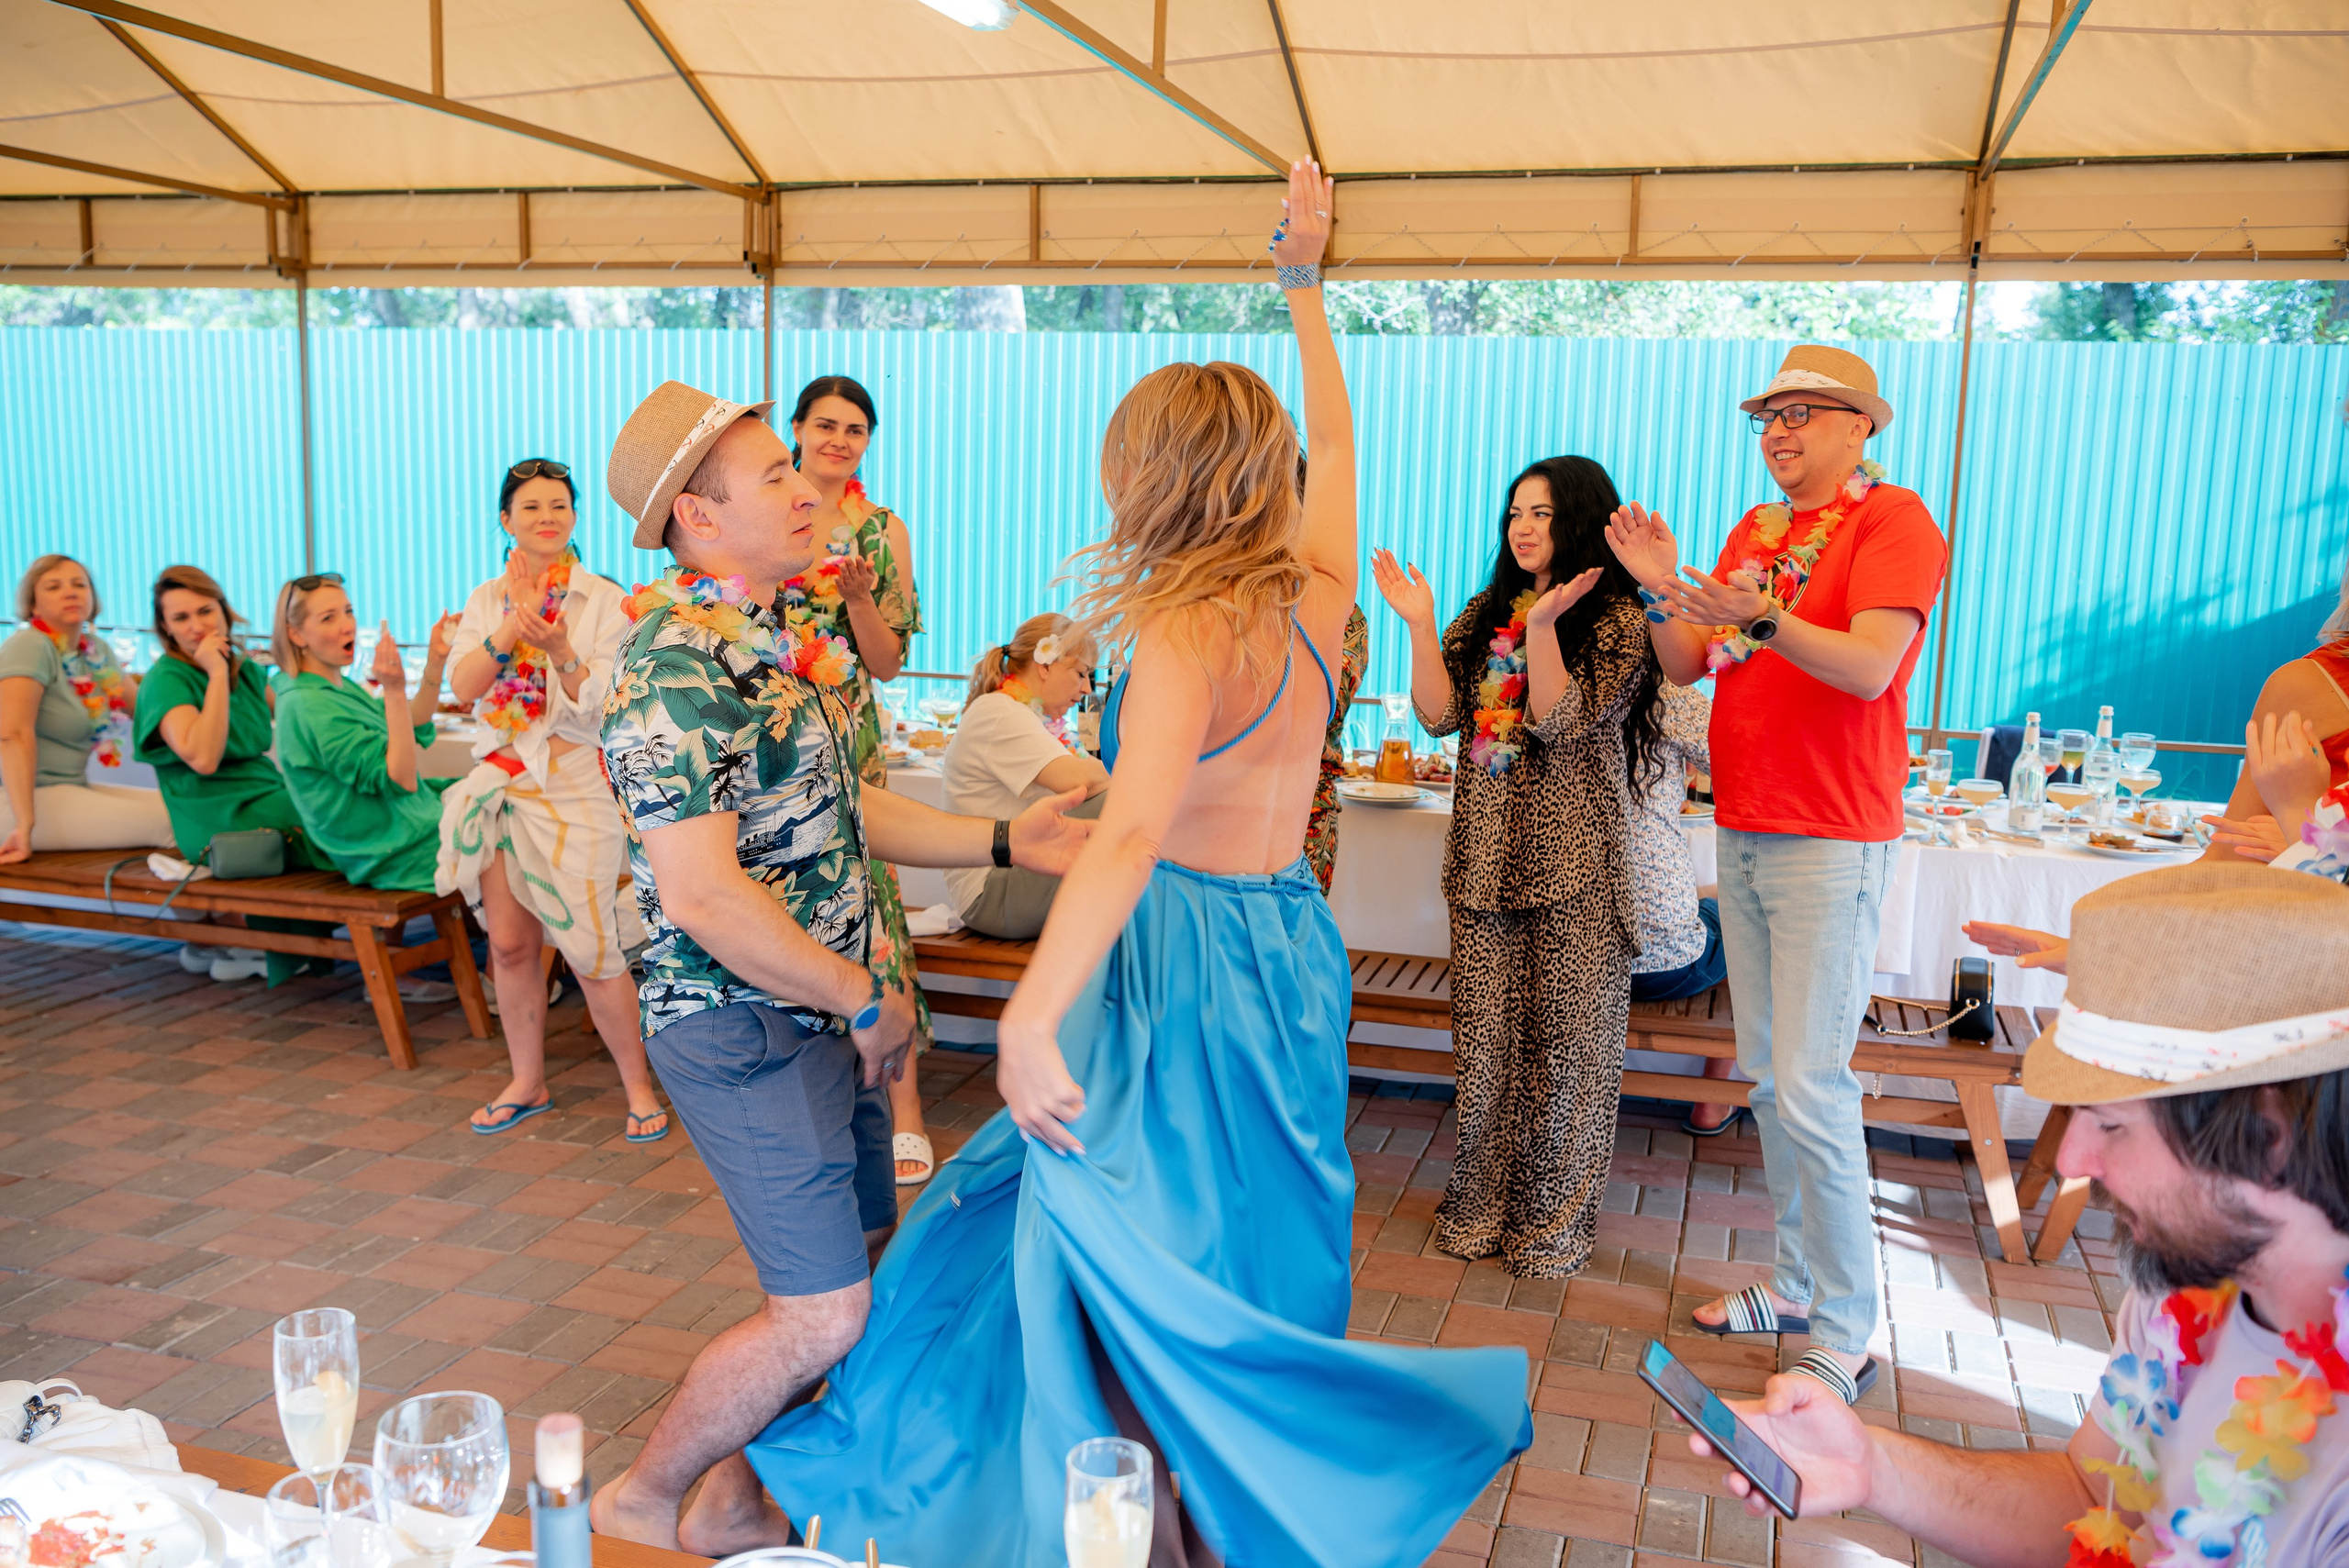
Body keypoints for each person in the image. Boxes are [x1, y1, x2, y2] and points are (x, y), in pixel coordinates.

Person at [742, 162, 1531, 1568]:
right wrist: (1304, 290)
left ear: (1153, 478)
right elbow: (1341, 456)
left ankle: (1120, 1514)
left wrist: (1035, 1008)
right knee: (1252, 1240)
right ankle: (1233, 1506)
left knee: (1118, 1242)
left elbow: (1127, 834)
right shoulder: (1315, 593)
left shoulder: (1187, 628)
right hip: (1291, 940)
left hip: (1173, 951)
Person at [585, 375, 1096, 1555]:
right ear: (699, 521)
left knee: (865, 1271)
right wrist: (862, 992)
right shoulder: (667, 670)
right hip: (739, 1023)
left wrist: (1014, 838)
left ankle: (749, 1490)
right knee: (821, 1314)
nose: (808, 485)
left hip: (824, 1008)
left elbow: (849, 804)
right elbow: (705, 894)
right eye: (774, 474)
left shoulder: (774, 634)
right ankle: (646, 1498)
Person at [1691, 863, 2349, 1566]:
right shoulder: (2184, 1289)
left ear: (2269, 1136)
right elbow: (2088, 1497)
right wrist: (1871, 1466)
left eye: (2112, 1124)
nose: (2069, 1161)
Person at [1607, 344, 1947, 1402]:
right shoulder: (1754, 531)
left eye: (1804, 413)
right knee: (1769, 1074)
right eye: (1767, 415)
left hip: (1833, 830)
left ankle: (1845, 1325)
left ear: (1860, 427)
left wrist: (1751, 613)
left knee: (1810, 1082)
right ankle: (1797, 1283)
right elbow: (1684, 665)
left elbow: (1868, 664)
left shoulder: (1895, 520)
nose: (1779, 431)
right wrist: (1664, 593)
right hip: (1745, 822)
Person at [1372, 454, 1660, 1279]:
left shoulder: (1616, 616)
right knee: (1487, 1052)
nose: (1523, 528)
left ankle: (1551, 1228)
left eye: (1540, 513)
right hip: (1483, 864)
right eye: (1513, 514)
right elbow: (1437, 715)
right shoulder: (1489, 609)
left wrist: (1541, 631)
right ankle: (1480, 1207)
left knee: (1567, 1058)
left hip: (1574, 871)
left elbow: (1562, 719)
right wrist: (1422, 625)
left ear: (1578, 518)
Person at [438, 458, 669, 1141]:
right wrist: (515, 624)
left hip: (574, 787)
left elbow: (605, 706)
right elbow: (465, 684)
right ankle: (526, 1079)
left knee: (591, 947)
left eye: (559, 505)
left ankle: (637, 1085)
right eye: (531, 506)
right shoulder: (487, 597)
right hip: (503, 786)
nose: (547, 516)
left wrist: (562, 648)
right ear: (506, 521)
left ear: (573, 518)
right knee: (510, 946)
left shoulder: (603, 599)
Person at [777, 374, 937, 1181]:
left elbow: (888, 661)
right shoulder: (771, 514)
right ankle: (808, 1089)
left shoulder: (881, 531)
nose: (840, 440)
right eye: (826, 425)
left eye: (856, 430)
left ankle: (906, 1107)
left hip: (847, 733)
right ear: (798, 429)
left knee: (873, 897)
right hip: (770, 733)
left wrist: (863, 601)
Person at [133, 564, 333, 985]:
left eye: (205, 611)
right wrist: (216, 676)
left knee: (347, 798)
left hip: (265, 792)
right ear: (165, 629)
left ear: (224, 611)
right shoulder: (166, 679)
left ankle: (271, 945)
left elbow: (305, 714)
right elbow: (204, 758)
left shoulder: (245, 668)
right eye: (180, 619)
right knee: (342, 818)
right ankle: (378, 955)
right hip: (214, 814)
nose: (196, 626)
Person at [270, 574, 462, 1006]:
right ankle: (507, 973)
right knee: (508, 830)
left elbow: (407, 726)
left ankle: (511, 967)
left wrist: (435, 660)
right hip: (383, 843)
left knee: (509, 802)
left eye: (349, 611)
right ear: (296, 635)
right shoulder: (308, 702)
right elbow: (400, 776)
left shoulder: (333, 685)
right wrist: (393, 688)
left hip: (402, 824)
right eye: (329, 617)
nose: (347, 625)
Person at [941, 612, 1108, 940]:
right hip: (993, 894)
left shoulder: (1030, 717)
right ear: (1045, 665)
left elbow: (1092, 774)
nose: (1087, 688)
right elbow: (1082, 780)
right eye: (1081, 673)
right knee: (1117, 802)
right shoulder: (1001, 712)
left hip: (1012, 878)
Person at [0, 554, 173, 862]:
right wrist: (24, 824)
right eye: (54, 586)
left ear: (93, 599)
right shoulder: (29, 644)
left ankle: (211, 913)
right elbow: (12, 734)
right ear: (33, 606)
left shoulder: (94, 650)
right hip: (20, 803)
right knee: (172, 824)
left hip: (69, 789)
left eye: (79, 584)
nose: (70, 592)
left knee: (188, 809)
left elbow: (148, 710)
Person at [1304, 604, 1371, 893]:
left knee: (1297, 931)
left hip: (1309, 809)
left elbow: (1326, 701)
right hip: (1216, 804)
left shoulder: (1345, 615)